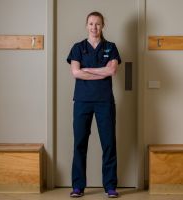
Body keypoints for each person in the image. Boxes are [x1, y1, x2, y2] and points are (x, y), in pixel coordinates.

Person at [66, 11, 121, 198]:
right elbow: (75, 72)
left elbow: (112, 70)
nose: (94, 27)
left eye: (97, 24)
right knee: (80, 143)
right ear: (86, 25)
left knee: (108, 144)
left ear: (102, 25)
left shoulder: (111, 47)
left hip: (104, 101)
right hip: (82, 101)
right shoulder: (77, 47)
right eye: (91, 24)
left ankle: (110, 186)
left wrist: (87, 69)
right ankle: (78, 187)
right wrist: (101, 71)